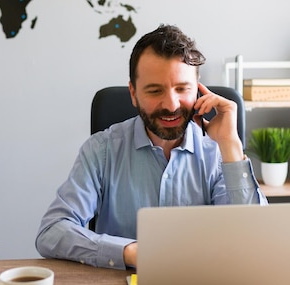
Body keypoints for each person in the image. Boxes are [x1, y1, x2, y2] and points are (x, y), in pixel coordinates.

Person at [35, 24, 267, 270]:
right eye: (155, 90)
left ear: (198, 90)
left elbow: (255, 241)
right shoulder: (101, 151)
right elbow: (52, 232)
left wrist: (231, 146)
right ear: (133, 94)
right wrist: (129, 252)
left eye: (182, 89)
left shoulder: (218, 152)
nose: (171, 104)